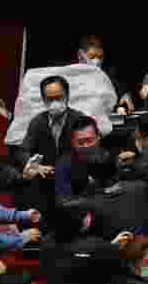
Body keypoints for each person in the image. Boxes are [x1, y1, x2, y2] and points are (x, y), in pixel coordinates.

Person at [12, 76, 90, 214]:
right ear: (43, 100)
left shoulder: (79, 119)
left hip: (74, 182)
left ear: (67, 96)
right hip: (46, 184)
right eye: (50, 99)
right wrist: (33, 165)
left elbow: (89, 149)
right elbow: (23, 150)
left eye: (59, 97)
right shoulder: (38, 122)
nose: (55, 102)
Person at [76, 35, 135, 113]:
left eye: (100, 57)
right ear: (80, 56)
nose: (97, 62)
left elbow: (120, 90)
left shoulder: (107, 75)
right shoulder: (70, 78)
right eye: (92, 57)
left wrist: (124, 96)